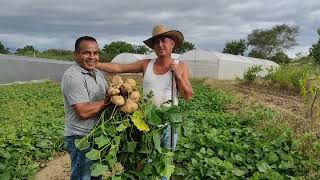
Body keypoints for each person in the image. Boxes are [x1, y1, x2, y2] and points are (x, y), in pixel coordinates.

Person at [96, 25, 193, 151]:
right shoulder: (146, 64)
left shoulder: (181, 66)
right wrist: (96, 64)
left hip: (169, 123)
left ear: (172, 43)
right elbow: (119, 68)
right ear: (153, 47)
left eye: (164, 40)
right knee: (147, 159)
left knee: (166, 158)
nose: (160, 45)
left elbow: (188, 96)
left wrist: (178, 77)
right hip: (147, 121)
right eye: (156, 42)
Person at [61, 36, 110, 180]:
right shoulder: (73, 76)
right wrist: (107, 102)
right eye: (87, 53)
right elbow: (82, 111)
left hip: (96, 136)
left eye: (95, 53)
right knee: (83, 177)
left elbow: (110, 94)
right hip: (80, 138)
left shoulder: (97, 73)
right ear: (76, 54)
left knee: (96, 176)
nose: (92, 57)